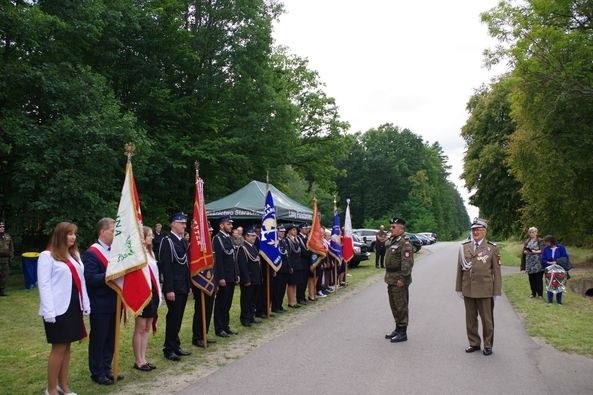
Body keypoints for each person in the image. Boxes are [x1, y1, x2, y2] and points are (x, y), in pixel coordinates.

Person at [38, 222, 90, 395]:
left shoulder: (74, 255)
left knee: (67, 347)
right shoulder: (47, 256)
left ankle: (63, 385)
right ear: (60, 235)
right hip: (57, 310)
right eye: (69, 234)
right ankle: (51, 389)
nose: (73, 237)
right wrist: (49, 312)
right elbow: (44, 285)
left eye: (74, 234)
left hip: (74, 306)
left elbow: (81, 281)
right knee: (58, 348)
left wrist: (86, 304)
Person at [83, 218, 122, 385]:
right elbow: (90, 278)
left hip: (115, 301)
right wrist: (110, 275)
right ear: (102, 232)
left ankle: (107, 368)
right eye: (113, 231)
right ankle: (97, 372)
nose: (115, 234)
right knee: (99, 339)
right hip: (100, 303)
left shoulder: (115, 251)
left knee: (111, 338)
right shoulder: (92, 253)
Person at [456, 218, 501, 356]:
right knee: (470, 319)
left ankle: (488, 345)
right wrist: (459, 287)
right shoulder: (465, 247)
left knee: (487, 320)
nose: (475, 232)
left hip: (485, 290)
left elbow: (497, 272)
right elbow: (460, 269)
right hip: (468, 288)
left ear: (484, 231)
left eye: (478, 229)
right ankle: (474, 343)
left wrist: (496, 291)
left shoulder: (492, 248)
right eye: (473, 229)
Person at [159, 212, 192, 361]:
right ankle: (169, 348)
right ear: (173, 224)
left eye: (185, 223)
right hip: (174, 287)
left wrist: (188, 285)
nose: (184, 226)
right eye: (181, 223)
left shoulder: (182, 241)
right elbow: (167, 267)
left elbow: (185, 266)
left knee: (179, 317)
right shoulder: (167, 241)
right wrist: (169, 288)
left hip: (183, 285)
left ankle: (176, 345)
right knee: (173, 317)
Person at [132, 226, 162, 371]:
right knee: (140, 327)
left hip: (153, 292)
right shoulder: (137, 254)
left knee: (147, 327)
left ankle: (144, 358)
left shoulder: (151, 253)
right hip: (142, 293)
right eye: (149, 235)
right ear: (142, 237)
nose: (152, 237)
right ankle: (138, 360)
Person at [383, 218, 414, 343]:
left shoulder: (405, 243)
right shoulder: (393, 240)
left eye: (394, 227)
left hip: (399, 279)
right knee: (394, 305)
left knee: (401, 305)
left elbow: (407, 263)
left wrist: (403, 278)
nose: (391, 229)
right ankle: (397, 328)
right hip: (391, 278)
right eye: (391, 227)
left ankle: (403, 332)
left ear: (401, 229)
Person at [191, 221, 217, 348]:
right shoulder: (196, 246)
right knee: (200, 309)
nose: (211, 231)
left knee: (208, 309)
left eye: (211, 230)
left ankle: (204, 334)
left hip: (211, 281)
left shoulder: (211, 245)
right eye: (208, 230)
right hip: (200, 282)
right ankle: (197, 337)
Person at [213, 215, 239, 337]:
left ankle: (225, 325)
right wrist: (220, 277)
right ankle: (219, 328)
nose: (231, 226)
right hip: (224, 277)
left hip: (231, 275)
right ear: (221, 225)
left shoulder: (228, 238)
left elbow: (233, 258)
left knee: (228, 303)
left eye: (231, 224)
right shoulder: (217, 239)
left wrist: (236, 274)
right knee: (221, 303)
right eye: (228, 224)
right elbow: (218, 260)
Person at [238, 227, 262, 326]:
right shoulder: (242, 248)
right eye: (252, 236)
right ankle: (245, 318)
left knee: (253, 299)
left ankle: (252, 316)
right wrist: (246, 279)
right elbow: (243, 265)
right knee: (246, 299)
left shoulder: (253, 247)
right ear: (246, 236)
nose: (254, 238)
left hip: (256, 278)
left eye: (255, 236)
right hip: (248, 279)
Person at [541, 235, 570, 305]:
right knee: (550, 283)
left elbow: (565, 257)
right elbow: (542, 259)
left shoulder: (561, 247)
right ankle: (550, 301)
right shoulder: (545, 249)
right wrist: (549, 262)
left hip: (559, 268)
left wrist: (557, 261)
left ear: (551, 241)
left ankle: (559, 301)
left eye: (547, 242)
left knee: (559, 284)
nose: (546, 244)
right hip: (549, 268)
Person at [520, 227, 545, 299]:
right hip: (529, 262)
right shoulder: (527, 241)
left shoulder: (540, 240)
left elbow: (543, 250)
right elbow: (524, 249)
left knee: (539, 278)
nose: (532, 233)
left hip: (538, 262)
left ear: (536, 233)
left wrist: (535, 252)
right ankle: (533, 293)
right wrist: (525, 252)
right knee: (531, 278)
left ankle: (540, 294)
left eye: (533, 232)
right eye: (530, 232)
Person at [271, 225, 289, 313]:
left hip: (285, 268)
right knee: (277, 289)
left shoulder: (284, 241)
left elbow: (287, 255)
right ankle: (275, 307)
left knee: (282, 288)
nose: (282, 233)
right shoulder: (275, 242)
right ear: (277, 232)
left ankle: (279, 305)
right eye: (281, 231)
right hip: (278, 269)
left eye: (283, 232)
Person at [285, 224, 301, 308]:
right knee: (291, 283)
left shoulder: (296, 240)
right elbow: (288, 254)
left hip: (297, 264)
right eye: (293, 230)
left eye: (295, 230)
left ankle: (294, 301)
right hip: (291, 264)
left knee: (295, 283)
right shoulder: (287, 240)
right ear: (289, 231)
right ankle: (290, 302)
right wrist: (290, 266)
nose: (295, 231)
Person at [296, 223, 311, 305]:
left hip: (307, 262)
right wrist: (309, 252)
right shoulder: (298, 238)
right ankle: (299, 298)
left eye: (307, 228)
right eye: (305, 228)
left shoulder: (308, 237)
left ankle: (303, 296)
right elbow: (302, 251)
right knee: (300, 282)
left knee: (305, 281)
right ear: (300, 229)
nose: (306, 229)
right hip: (301, 262)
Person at [0, 221, 14, 296]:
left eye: (3, 227)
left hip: (5, 260)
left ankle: (2, 291)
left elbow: (11, 247)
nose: (2, 228)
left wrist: (11, 255)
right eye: (0, 227)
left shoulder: (7, 236)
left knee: (4, 275)